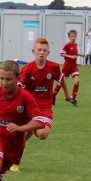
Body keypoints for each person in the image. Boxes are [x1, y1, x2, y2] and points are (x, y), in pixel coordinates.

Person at [10, 38, 62, 172]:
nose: (41, 52)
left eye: (44, 50)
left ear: (48, 52)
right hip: (30, 107)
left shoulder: (54, 67)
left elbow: (61, 79)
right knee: (23, 136)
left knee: (43, 134)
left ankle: (28, 130)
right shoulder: (27, 69)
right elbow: (19, 88)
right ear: (33, 51)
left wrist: (65, 94)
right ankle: (15, 163)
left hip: (45, 107)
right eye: (39, 50)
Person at [53, 29, 82, 107]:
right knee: (61, 82)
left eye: (74, 36)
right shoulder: (67, 45)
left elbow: (74, 53)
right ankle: (53, 95)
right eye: (71, 36)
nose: (73, 37)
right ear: (69, 37)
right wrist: (70, 56)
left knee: (77, 81)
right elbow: (61, 54)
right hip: (67, 67)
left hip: (74, 66)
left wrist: (79, 54)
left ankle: (73, 98)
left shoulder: (76, 45)